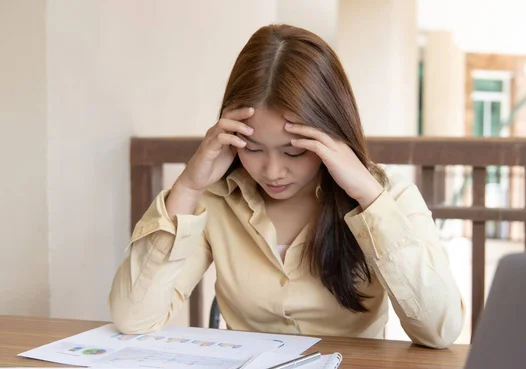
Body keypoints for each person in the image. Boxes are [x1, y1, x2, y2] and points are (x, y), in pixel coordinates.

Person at [109, 24, 464, 349]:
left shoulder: (390, 197)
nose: (273, 171)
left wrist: (367, 197)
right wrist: (187, 186)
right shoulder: (213, 199)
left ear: (333, 135)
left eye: (294, 152)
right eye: (253, 149)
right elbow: (134, 318)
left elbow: (439, 330)